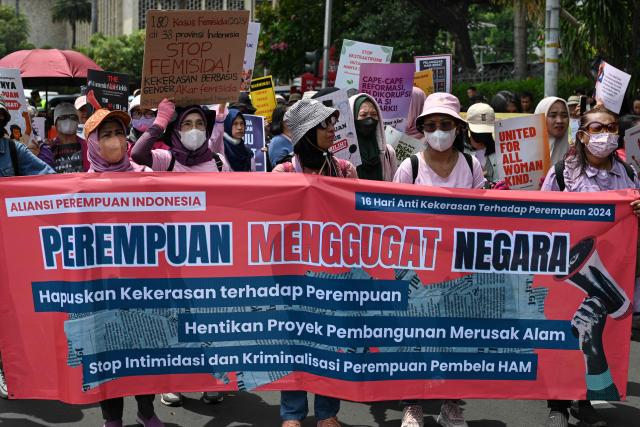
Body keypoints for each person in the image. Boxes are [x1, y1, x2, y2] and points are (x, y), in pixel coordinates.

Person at [541, 105, 640, 427]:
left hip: (611, 268)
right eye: (597, 129)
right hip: (567, 271)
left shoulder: (629, 174)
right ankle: (557, 404)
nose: (605, 135)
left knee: (592, 336)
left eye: (611, 128)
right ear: (582, 136)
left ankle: (584, 404)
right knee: (562, 341)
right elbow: (540, 217)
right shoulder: (560, 173)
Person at [394, 93, 485, 427]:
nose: (438, 131)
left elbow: (481, 215)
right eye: (430, 126)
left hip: (459, 266)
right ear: (422, 130)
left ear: (457, 128)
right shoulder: (410, 167)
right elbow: (394, 216)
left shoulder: (472, 166)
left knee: (456, 338)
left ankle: (451, 405)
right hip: (418, 267)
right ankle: (413, 404)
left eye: (445, 125)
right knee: (416, 337)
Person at [273, 98, 357, 427]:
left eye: (332, 123)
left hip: (332, 272)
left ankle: (327, 413)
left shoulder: (345, 170)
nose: (332, 129)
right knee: (294, 341)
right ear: (307, 132)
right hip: (292, 273)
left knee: (329, 342)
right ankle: (292, 414)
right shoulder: (281, 173)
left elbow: (359, 217)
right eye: (325, 125)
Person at [81, 108, 162, 427]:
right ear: (92, 143)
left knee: (146, 352)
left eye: (118, 133)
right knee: (106, 357)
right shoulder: (80, 187)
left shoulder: (144, 176)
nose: (115, 140)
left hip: (142, 285)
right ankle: (111, 418)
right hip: (100, 288)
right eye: (106, 135)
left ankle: (146, 411)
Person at [0, 100, 54, 399]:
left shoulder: (12, 150)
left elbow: (49, 180)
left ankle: (8, 368)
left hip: (9, 245)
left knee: (9, 309)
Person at [131, 99, 230, 174]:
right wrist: (161, 121)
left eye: (200, 123)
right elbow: (137, 154)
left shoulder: (219, 162)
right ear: (176, 130)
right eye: (187, 124)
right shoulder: (166, 160)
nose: (194, 129)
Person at [348, 93, 397, 181]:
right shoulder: (345, 154)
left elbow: (395, 185)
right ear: (352, 117)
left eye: (374, 114)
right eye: (363, 115)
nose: (370, 120)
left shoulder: (388, 153)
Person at [49, 103, 89, 173]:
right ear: (55, 123)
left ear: (78, 122)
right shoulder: (49, 147)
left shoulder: (88, 146)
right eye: (63, 117)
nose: (68, 120)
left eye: (73, 117)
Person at [466, 103, 498, 182]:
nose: (482, 137)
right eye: (478, 133)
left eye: (486, 132)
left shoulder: (501, 152)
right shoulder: (458, 152)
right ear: (467, 127)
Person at [535, 97, 570, 165]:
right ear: (541, 118)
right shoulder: (524, 155)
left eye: (564, 116)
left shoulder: (576, 156)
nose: (559, 121)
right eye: (553, 116)